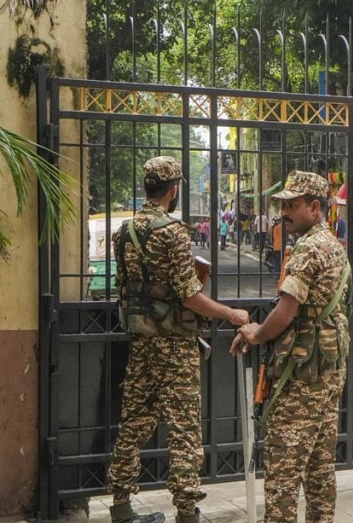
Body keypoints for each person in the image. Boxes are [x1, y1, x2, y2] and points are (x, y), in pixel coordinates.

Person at [107, 156, 250, 523]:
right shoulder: (172, 232)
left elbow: (128, 287)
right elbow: (189, 296)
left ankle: (121, 507)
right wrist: (230, 314)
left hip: (141, 341)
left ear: (146, 187)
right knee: (184, 428)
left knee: (134, 422)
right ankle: (187, 512)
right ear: (174, 189)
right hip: (174, 345)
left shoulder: (122, 232)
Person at [230, 170, 350, 523]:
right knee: (320, 471)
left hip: (301, 379)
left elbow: (285, 312)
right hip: (327, 375)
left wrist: (256, 333)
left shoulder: (308, 249)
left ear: (315, 208)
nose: (284, 211)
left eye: (292, 205)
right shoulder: (335, 246)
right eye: (283, 204)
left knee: (283, 475)